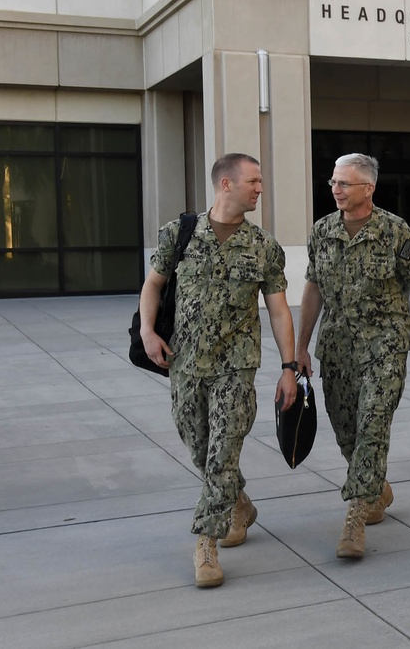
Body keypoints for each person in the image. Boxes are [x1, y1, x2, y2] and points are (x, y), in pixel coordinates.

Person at [138, 153, 298, 589]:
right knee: (200, 450)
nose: (260, 188)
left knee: (223, 453)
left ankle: (205, 545)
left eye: (261, 181)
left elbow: (280, 311)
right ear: (225, 185)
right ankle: (239, 504)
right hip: (184, 364)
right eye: (253, 181)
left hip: (236, 367)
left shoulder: (264, 246)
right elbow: (152, 285)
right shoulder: (180, 233)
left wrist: (290, 367)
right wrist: (149, 332)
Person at [295, 153, 410, 561]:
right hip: (337, 347)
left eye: (345, 183)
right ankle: (376, 486)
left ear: (368, 188)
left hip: (385, 348)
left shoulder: (396, 232)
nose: (336, 190)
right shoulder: (321, 231)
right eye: (334, 182)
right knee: (347, 431)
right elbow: (313, 290)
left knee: (373, 425)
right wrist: (300, 347)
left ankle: (355, 517)